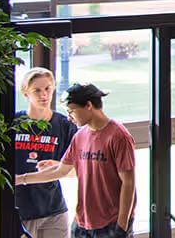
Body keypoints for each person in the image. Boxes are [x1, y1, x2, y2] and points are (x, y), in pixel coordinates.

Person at [16, 84, 136, 238]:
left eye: (71, 111)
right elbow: (60, 171)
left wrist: (122, 226)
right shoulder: (80, 136)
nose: (68, 117)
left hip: (111, 223)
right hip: (82, 223)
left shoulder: (118, 136)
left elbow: (128, 183)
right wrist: (21, 179)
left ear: (88, 106)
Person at [10, 67, 78, 238]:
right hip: (18, 211)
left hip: (53, 211)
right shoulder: (12, 124)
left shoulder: (64, 125)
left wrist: (60, 167)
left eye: (47, 89)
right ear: (25, 94)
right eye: (37, 91)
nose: (44, 95)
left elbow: (80, 171)